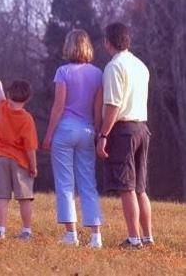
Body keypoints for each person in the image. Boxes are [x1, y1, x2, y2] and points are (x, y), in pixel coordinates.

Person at [42, 29, 104, 248]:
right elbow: (98, 110)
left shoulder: (63, 72)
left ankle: (71, 234)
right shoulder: (98, 74)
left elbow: (58, 107)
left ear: (69, 46)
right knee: (88, 182)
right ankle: (96, 236)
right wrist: (98, 134)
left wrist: (48, 135)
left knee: (65, 182)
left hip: (66, 130)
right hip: (88, 130)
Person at [96, 22, 153, 250]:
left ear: (107, 42)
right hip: (142, 127)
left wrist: (103, 134)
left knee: (126, 187)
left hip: (123, 131)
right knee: (140, 187)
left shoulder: (114, 67)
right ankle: (147, 237)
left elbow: (113, 105)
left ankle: (133, 239)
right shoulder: (141, 65)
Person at [0, 77, 38, 241]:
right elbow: (30, 147)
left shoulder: (2, 109)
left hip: (0, 159)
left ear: (9, 95)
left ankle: (0, 230)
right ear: (28, 98)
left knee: (2, 197)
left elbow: (0, 96)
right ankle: (26, 231)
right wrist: (33, 166)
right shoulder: (27, 119)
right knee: (24, 198)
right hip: (21, 162)